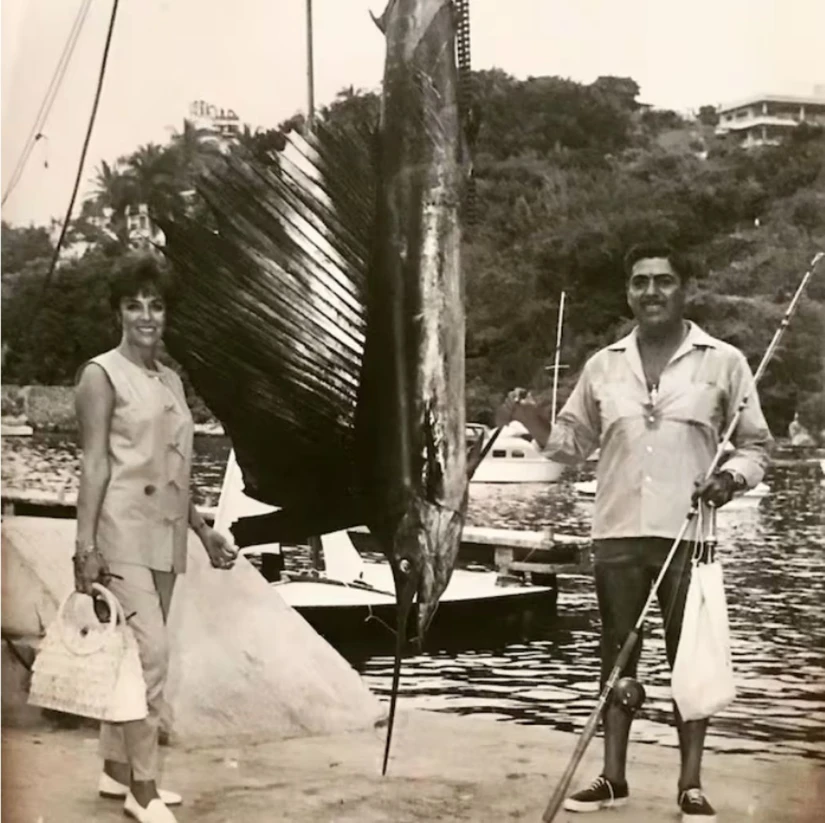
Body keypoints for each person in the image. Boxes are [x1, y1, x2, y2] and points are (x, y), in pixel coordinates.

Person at [496, 243, 772, 822]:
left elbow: (755, 446)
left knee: (688, 661)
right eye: (641, 282)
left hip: (687, 535)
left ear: (684, 289)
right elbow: (570, 447)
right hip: (617, 533)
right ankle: (613, 778)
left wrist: (727, 480)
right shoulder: (603, 365)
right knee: (617, 660)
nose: (652, 291)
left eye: (664, 280)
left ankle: (690, 786)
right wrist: (529, 419)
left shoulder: (723, 361)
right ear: (629, 292)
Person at [73, 254, 238, 823]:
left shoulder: (168, 379)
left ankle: (116, 771)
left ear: (167, 313)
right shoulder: (100, 375)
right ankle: (143, 791)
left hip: (166, 535)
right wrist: (85, 546)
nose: (146, 316)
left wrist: (204, 529)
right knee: (152, 658)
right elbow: (94, 466)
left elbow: (173, 472)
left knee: (131, 655)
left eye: (156, 305)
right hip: (120, 531)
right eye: (133, 305)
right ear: (117, 311)